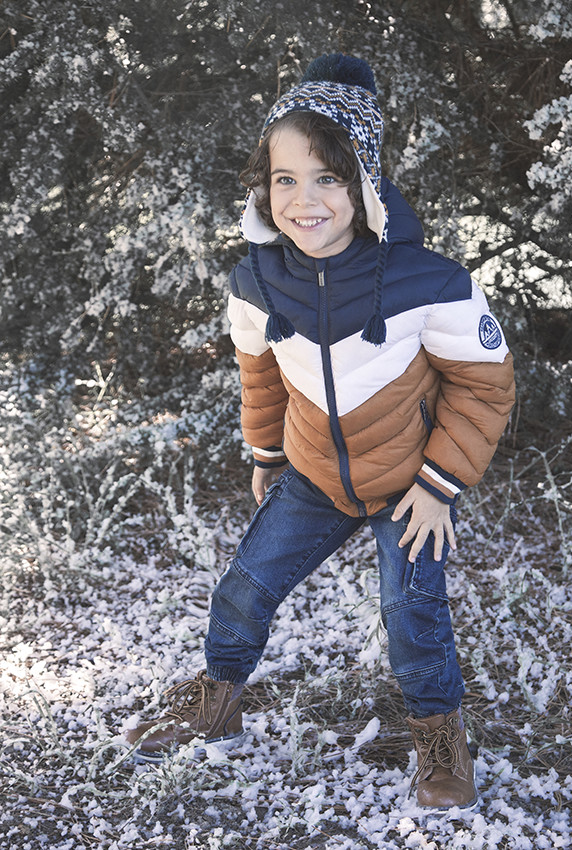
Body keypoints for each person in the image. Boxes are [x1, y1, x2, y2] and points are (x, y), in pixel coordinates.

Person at [126, 53, 515, 811]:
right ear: (264, 188)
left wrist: (440, 487)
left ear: (363, 182)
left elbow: (483, 387)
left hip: (411, 483)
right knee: (244, 588)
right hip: (312, 476)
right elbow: (261, 374)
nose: (306, 201)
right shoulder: (256, 279)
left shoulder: (430, 281)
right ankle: (218, 699)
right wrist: (267, 452)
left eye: (328, 178)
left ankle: (440, 735)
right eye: (286, 180)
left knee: (411, 613)